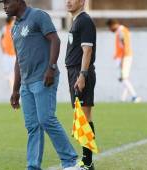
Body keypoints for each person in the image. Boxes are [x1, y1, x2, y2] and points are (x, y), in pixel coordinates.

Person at [0, 0, 78, 170]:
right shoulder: (14, 28)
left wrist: (51, 67)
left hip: (43, 78)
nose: (4, 6)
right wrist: (15, 90)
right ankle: (33, 166)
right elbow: (19, 60)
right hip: (26, 84)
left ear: (19, 1)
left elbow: (55, 40)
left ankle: (70, 161)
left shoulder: (38, 16)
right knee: (33, 126)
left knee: (46, 119)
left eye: (7, 2)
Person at [65, 0, 97, 169]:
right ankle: (87, 161)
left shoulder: (84, 21)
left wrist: (82, 75)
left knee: (84, 116)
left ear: (82, 1)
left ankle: (87, 161)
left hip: (80, 72)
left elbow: (87, 50)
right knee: (81, 117)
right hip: (74, 72)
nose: (68, 1)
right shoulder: (77, 20)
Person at [106, 19, 141, 103]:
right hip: (125, 56)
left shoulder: (121, 31)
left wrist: (122, 60)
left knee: (123, 78)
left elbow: (125, 45)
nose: (110, 30)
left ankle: (135, 97)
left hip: (124, 57)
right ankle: (123, 98)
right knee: (125, 79)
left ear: (113, 25)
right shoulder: (121, 30)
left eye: (110, 27)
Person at [0, 16, 16, 91]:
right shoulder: (5, 28)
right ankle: (13, 92)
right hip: (7, 55)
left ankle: (15, 92)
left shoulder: (16, 28)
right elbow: (1, 39)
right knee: (9, 76)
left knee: (14, 75)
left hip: (14, 55)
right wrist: (3, 49)